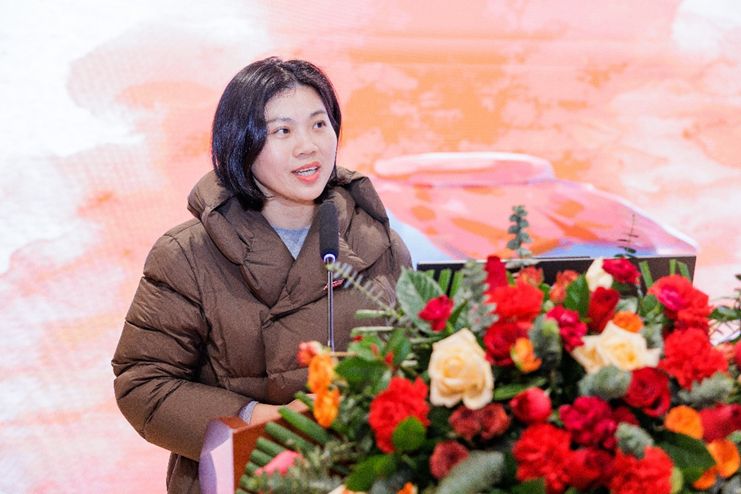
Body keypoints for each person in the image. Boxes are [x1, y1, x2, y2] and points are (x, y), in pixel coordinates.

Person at [112, 57, 411, 493]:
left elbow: (413, 364)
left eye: (319, 125)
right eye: (282, 131)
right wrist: (258, 421)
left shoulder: (379, 242)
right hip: (242, 479)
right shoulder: (186, 255)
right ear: (242, 144)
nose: (308, 146)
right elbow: (143, 384)